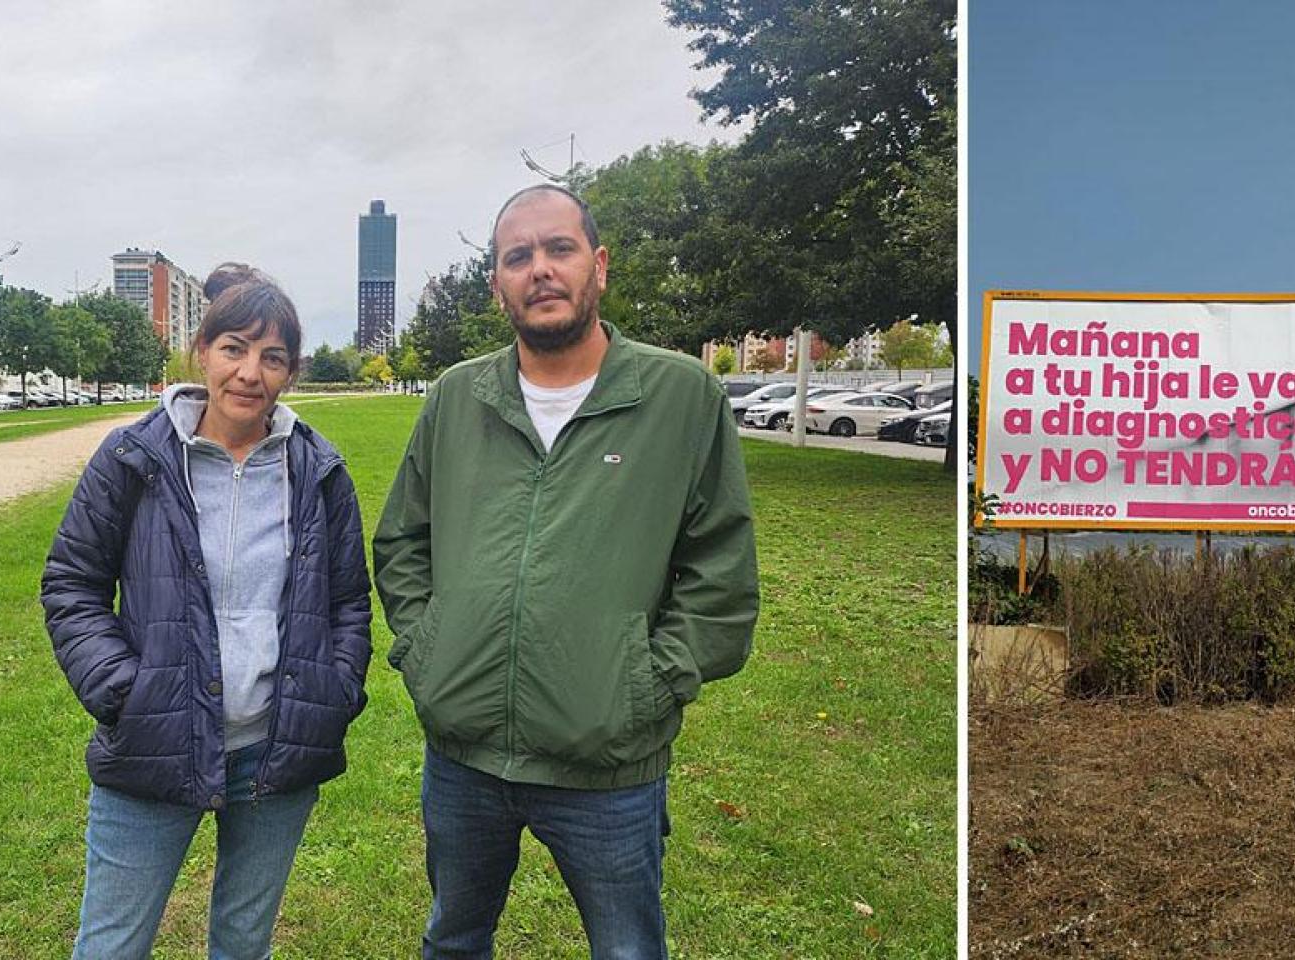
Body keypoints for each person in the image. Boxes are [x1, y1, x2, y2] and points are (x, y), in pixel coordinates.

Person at [373, 184, 759, 959]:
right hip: (464, 759)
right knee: (451, 940)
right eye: (518, 257)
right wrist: (429, 652)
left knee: (626, 951)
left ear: (599, 265)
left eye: (559, 249)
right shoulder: (456, 397)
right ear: (498, 284)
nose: (540, 270)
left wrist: (647, 684)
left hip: (608, 770)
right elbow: (401, 544)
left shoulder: (680, 396)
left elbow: (720, 569)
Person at [41, 263, 372, 959]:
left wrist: (335, 690)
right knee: (111, 945)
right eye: (235, 348)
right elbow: (72, 582)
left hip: (275, 751)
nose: (250, 372)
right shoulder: (134, 457)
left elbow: (347, 600)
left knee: (243, 943)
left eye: (272, 356)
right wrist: (124, 690)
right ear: (202, 352)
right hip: (154, 739)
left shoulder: (320, 470)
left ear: (290, 371)